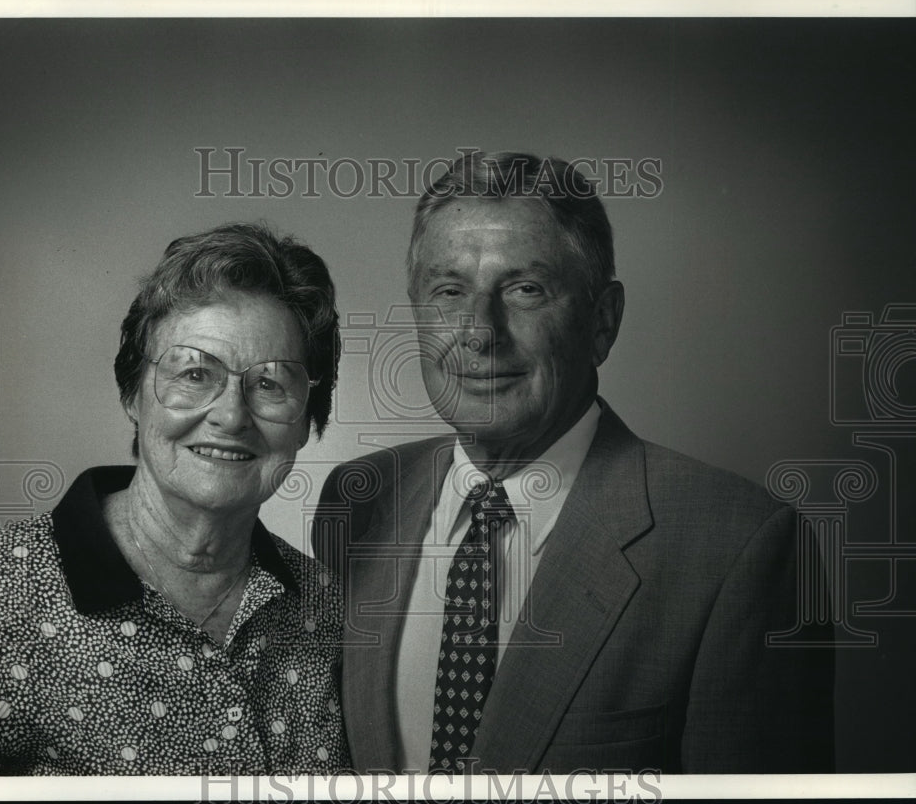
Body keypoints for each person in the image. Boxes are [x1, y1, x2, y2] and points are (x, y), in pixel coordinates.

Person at [312, 151, 834, 774]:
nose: (479, 331)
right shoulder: (359, 498)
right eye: (449, 290)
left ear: (602, 322)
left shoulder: (739, 546)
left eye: (525, 290)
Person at [0, 223, 348, 775]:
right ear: (132, 394)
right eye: (195, 373)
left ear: (306, 420)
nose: (231, 416)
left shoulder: (324, 609)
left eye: (270, 384)